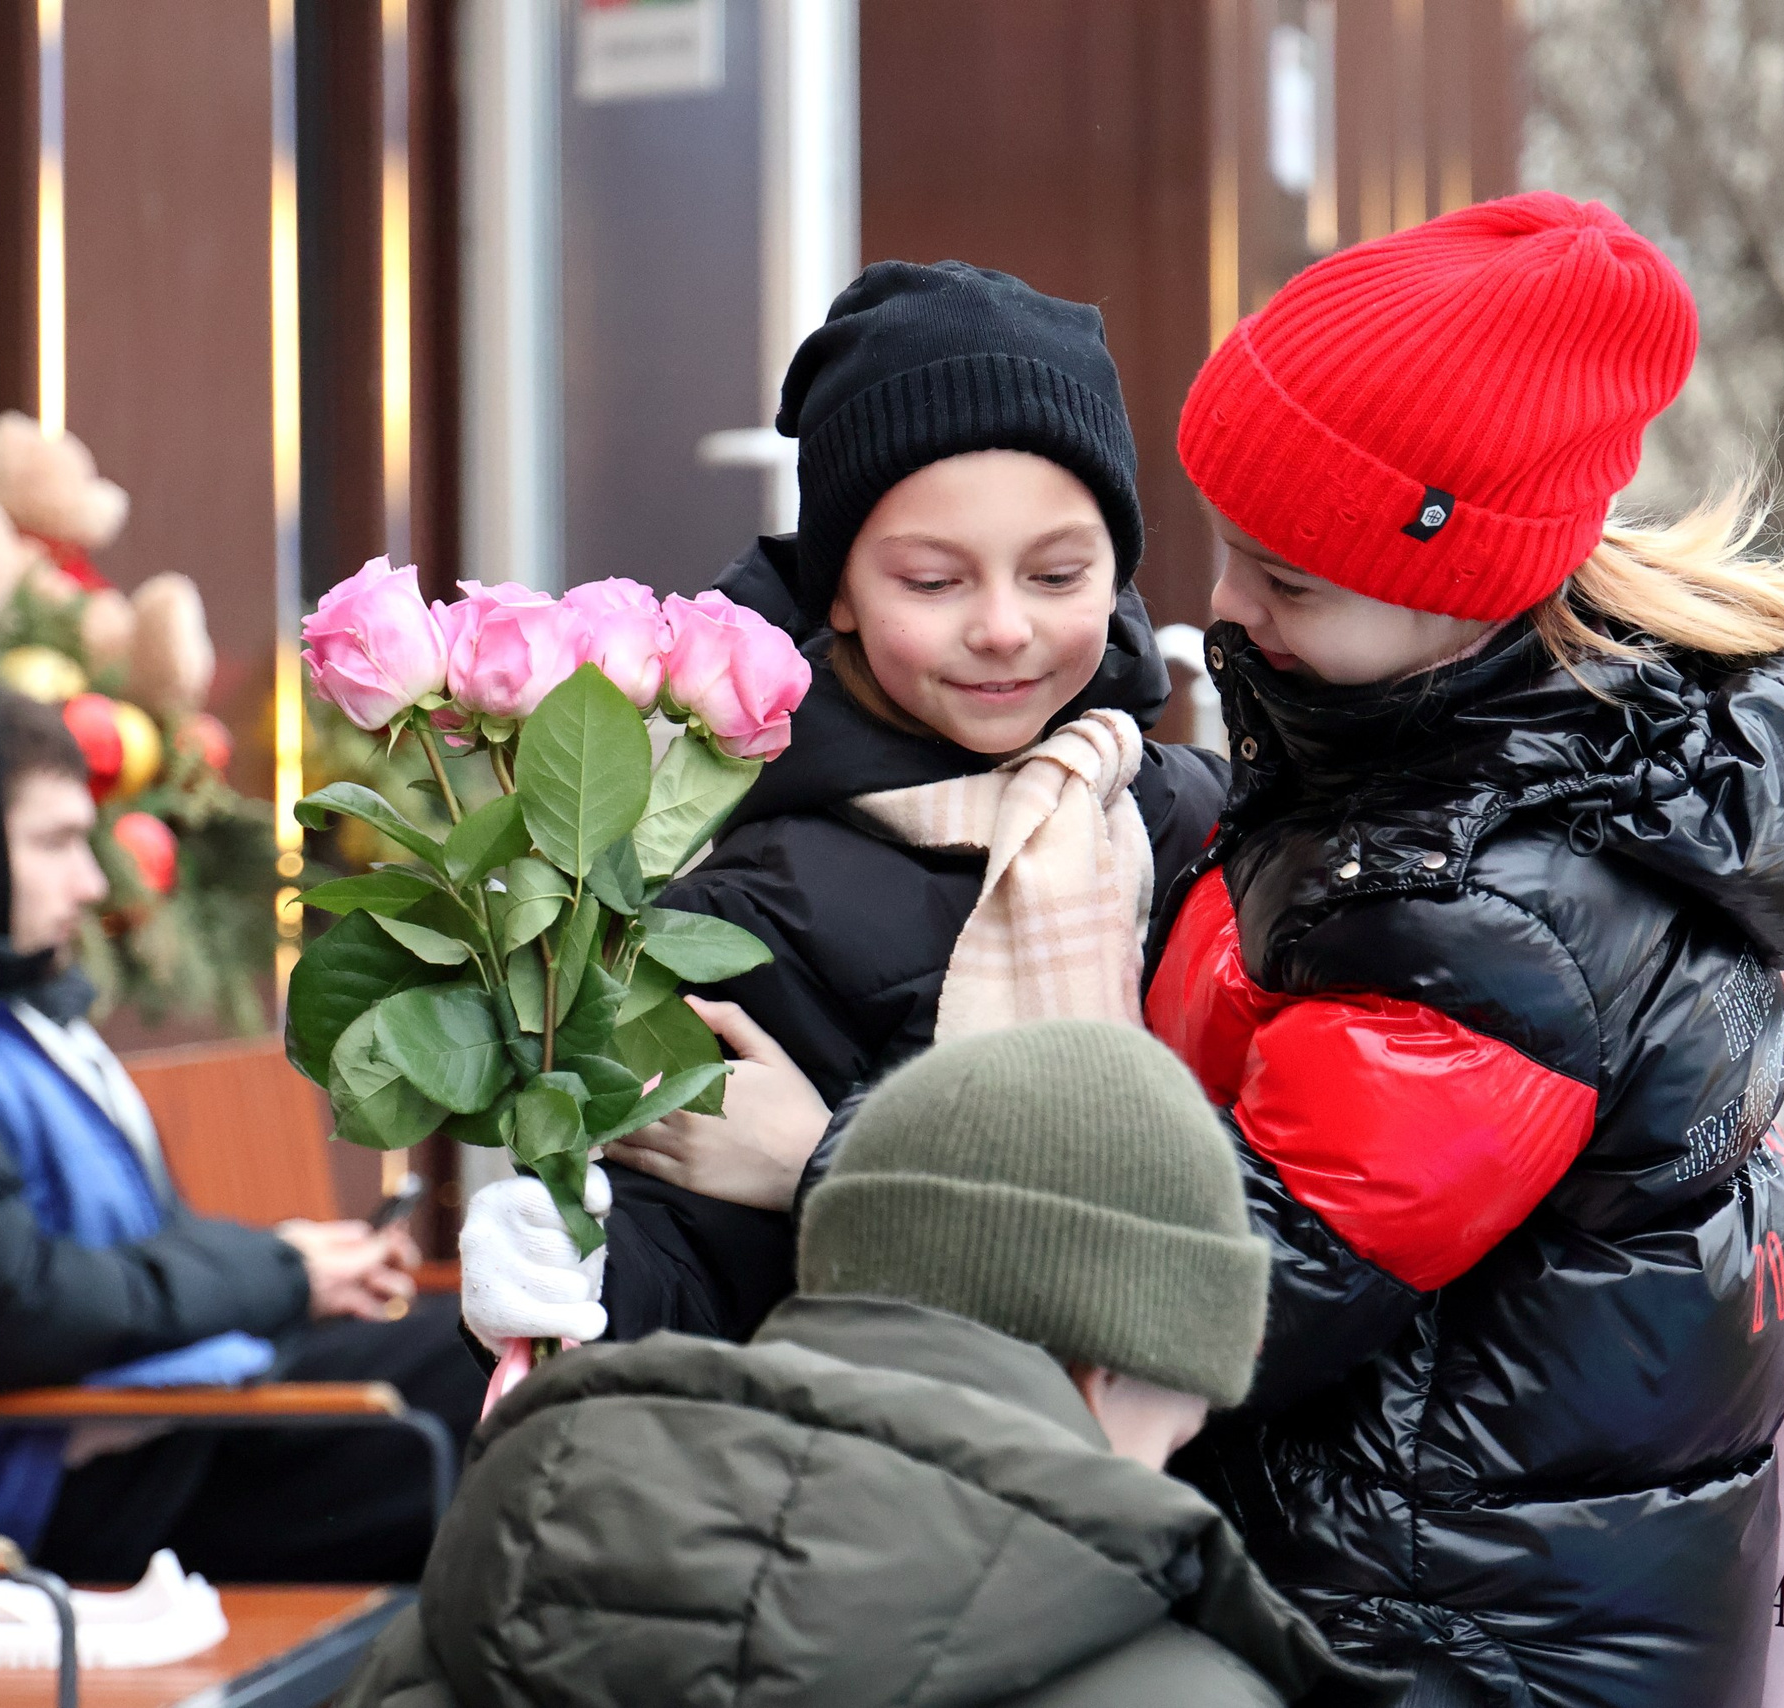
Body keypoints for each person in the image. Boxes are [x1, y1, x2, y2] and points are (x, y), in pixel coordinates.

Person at [1144, 193, 1784, 1706]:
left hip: (1444, 1647)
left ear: (1455, 590)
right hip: (1479, 1601)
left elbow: (1246, 1284)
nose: (1221, 608)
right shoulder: (1498, 758)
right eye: (1224, 550)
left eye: (1285, 581)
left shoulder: (1489, 911)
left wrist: (845, 1161)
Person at [461, 261, 1229, 1355]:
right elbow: (688, 1248)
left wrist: (831, 1161)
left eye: (1058, 575)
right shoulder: (748, 906)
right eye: (933, 581)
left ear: (1119, 572)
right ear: (839, 591)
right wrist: (578, 1267)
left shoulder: (1197, 823)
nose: (1003, 626)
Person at [344, 1020, 1379, 1708]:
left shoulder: (498, 1574)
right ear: (1112, 1357)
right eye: (1196, 1385)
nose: (1193, 1427)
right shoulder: (1179, 1686)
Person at [0, 688, 482, 1583]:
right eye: (54, 842)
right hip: (73, 1489)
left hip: (153, 1425)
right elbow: (2, 1308)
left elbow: (110, 1254)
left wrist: (289, 1266)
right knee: (486, 1385)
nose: (93, 883)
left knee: (491, 1349)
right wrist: (277, 1275)